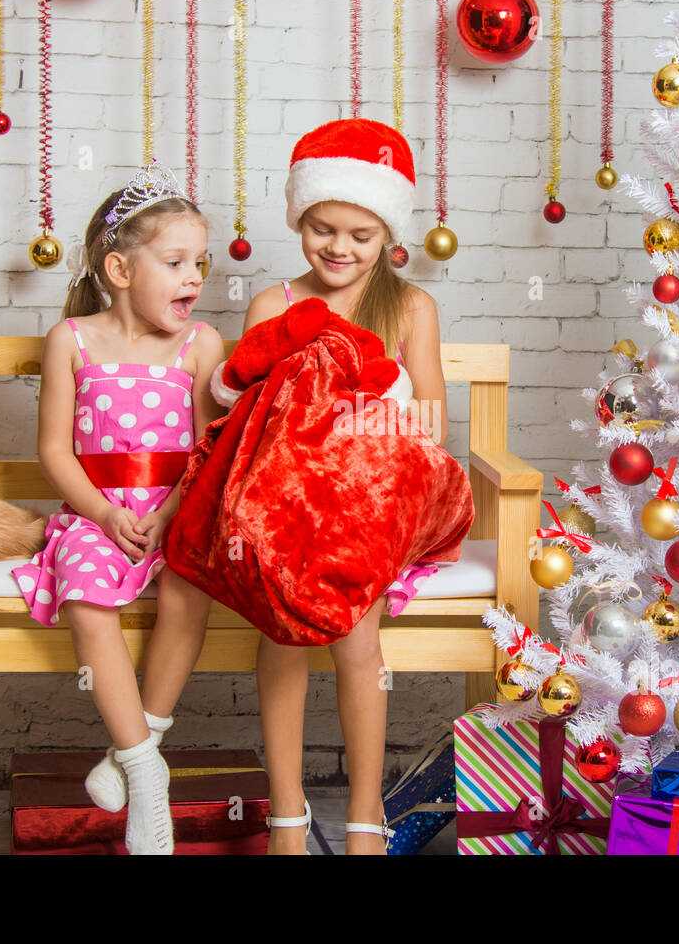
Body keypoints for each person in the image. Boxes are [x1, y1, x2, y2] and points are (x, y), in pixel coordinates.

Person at [238, 119, 448, 854]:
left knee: (356, 637)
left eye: (359, 234)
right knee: (283, 632)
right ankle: (286, 815)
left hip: (375, 507)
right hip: (287, 507)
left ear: (388, 234)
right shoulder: (273, 307)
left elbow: (428, 422)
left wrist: (373, 472)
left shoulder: (410, 308)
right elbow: (244, 420)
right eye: (322, 228)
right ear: (301, 220)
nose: (338, 247)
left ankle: (366, 816)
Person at [13, 164, 225, 854]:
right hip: (96, 513)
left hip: (175, 510)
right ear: (120, 268)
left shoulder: (201, 346)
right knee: (85, 591)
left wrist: (170, 515)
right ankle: (144, 769)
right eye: (175, 262)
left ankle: (132, 748)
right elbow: (53, 451)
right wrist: (103, 517)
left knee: (190, 586)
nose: (194, 276)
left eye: (201, 262)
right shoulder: (71, 340)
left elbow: (206, 451)